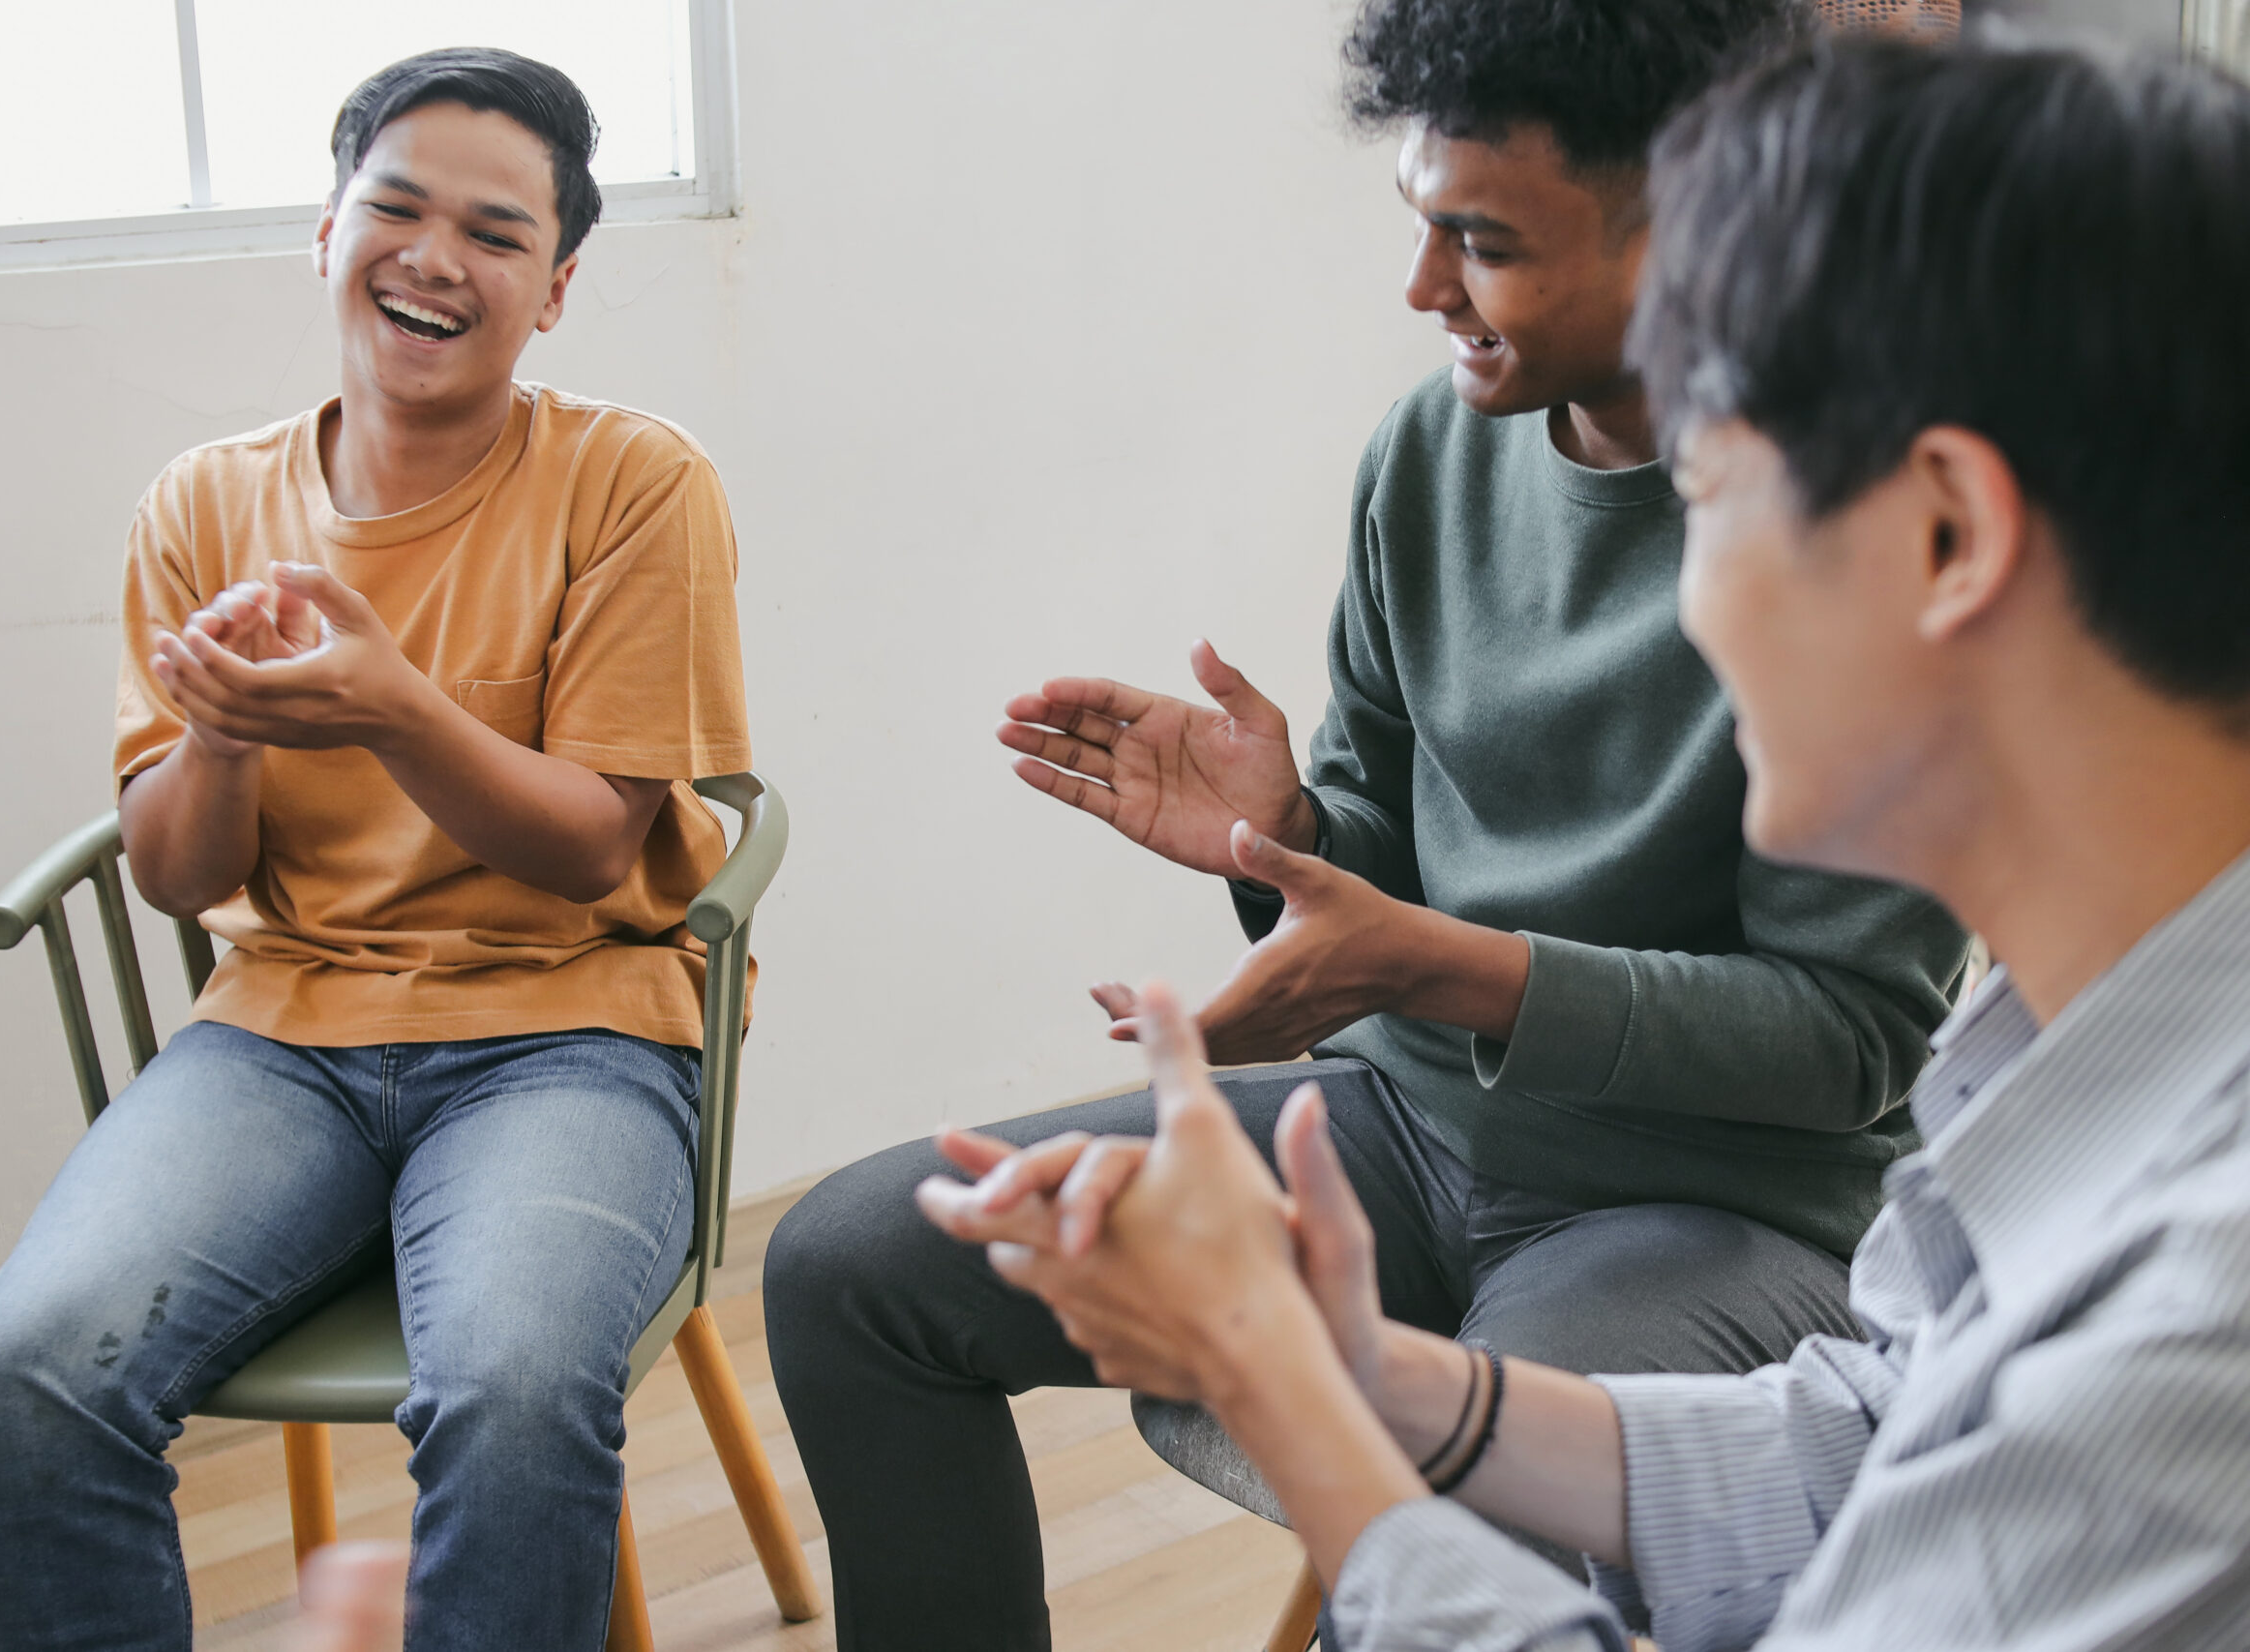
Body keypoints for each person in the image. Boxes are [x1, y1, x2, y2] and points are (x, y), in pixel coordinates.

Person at [926, 32, 2250, 1652]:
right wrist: (1360, 1370)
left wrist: (1286, 1388)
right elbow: (1861, 1442)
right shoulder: (2062, 1033)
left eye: (1712, 477)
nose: (1680, 585)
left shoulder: (2206, 1286)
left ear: (1946, 536)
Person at [765, 0, 1967, 1642]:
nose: (1423, 294)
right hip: (1403, 1129)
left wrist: (1437, 967)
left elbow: (1848, 1044)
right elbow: (1384, 896)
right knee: (847, 1267)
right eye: (1419, 226)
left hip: (1713, 1209)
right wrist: (1291, 847)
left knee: (1446, 1530)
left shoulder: (1856, 521)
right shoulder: (1428, 454)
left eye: (1480, 243)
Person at [0, 48, 750, 1651]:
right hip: (284, 1038)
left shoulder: (631, 481)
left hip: (571, 1037)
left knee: (517, 1385)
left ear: (558, 286)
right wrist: (229, 732)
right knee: (33, 1369)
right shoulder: (204, 501)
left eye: (498, 232)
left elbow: (597, 850)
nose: (435, 257)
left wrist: (392, 708)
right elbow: (176, 878)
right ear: (325, 236)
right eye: (392, 206)